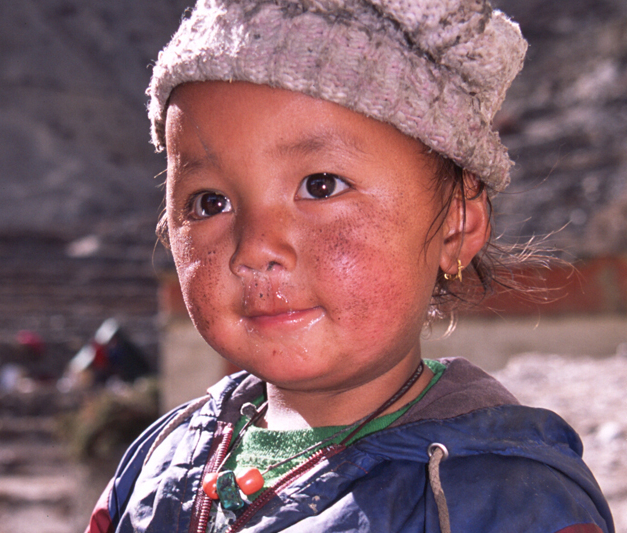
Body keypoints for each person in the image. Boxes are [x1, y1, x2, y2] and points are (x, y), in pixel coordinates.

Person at [85, 0, 614, 531]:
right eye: (209, 203)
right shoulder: (157, 466)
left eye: (321, 186)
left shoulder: (507, 503)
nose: (255, 248)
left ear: (455, 225)